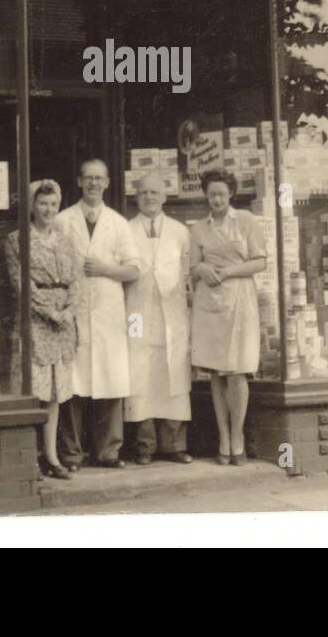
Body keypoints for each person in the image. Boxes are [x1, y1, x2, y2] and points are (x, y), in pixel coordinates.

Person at [56, 159, 141, 469]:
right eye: (88, 178)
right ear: (79, 182)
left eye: (99, 178)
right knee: (73, 384)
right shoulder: (63, 220)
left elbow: (134, 269)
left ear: (107, 183)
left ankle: (108, 452)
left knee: (110, 380)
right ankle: (72, 454)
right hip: (74, 311)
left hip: (107, 311)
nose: (93, 183)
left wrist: (106, 269)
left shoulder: (118, 223)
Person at [3, 179, 80, 480]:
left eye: (53, 204)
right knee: (33, 391)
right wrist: (49, 311)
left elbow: (75, 281)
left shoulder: (65, 240)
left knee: (54, 395)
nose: (48, 209)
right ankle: (30, 456)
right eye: (43, 203)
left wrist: (68, 312)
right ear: (32, 206)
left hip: (62, 326)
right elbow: (20, 283)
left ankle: (52, 456)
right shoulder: (17, 239)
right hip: (36, 323)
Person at [189, 169, 267, 466]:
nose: (217, 199)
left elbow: (260, 261)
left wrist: (228, 272)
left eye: (221, 194)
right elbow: (193, 266)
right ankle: (223, 438)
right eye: (212, 194)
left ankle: (238, 438)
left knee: (236, 372)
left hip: (239, 299)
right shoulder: (198, 229)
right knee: (216, 373)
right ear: (206, 196)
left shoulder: (245, 221)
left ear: (231, 194)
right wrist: (202, 270)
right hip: (210, 302)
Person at [124, 173, 193, 465]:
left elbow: (188, 272)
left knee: (173, 375)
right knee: (140, 374)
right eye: (143, 193)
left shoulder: (180, 231)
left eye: (154, 192)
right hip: (138, 311)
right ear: (136, 197)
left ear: (164, 197)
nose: (149, 197)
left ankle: (174, 444)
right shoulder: (126, 230)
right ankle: (145, 446)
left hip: (172, 312)